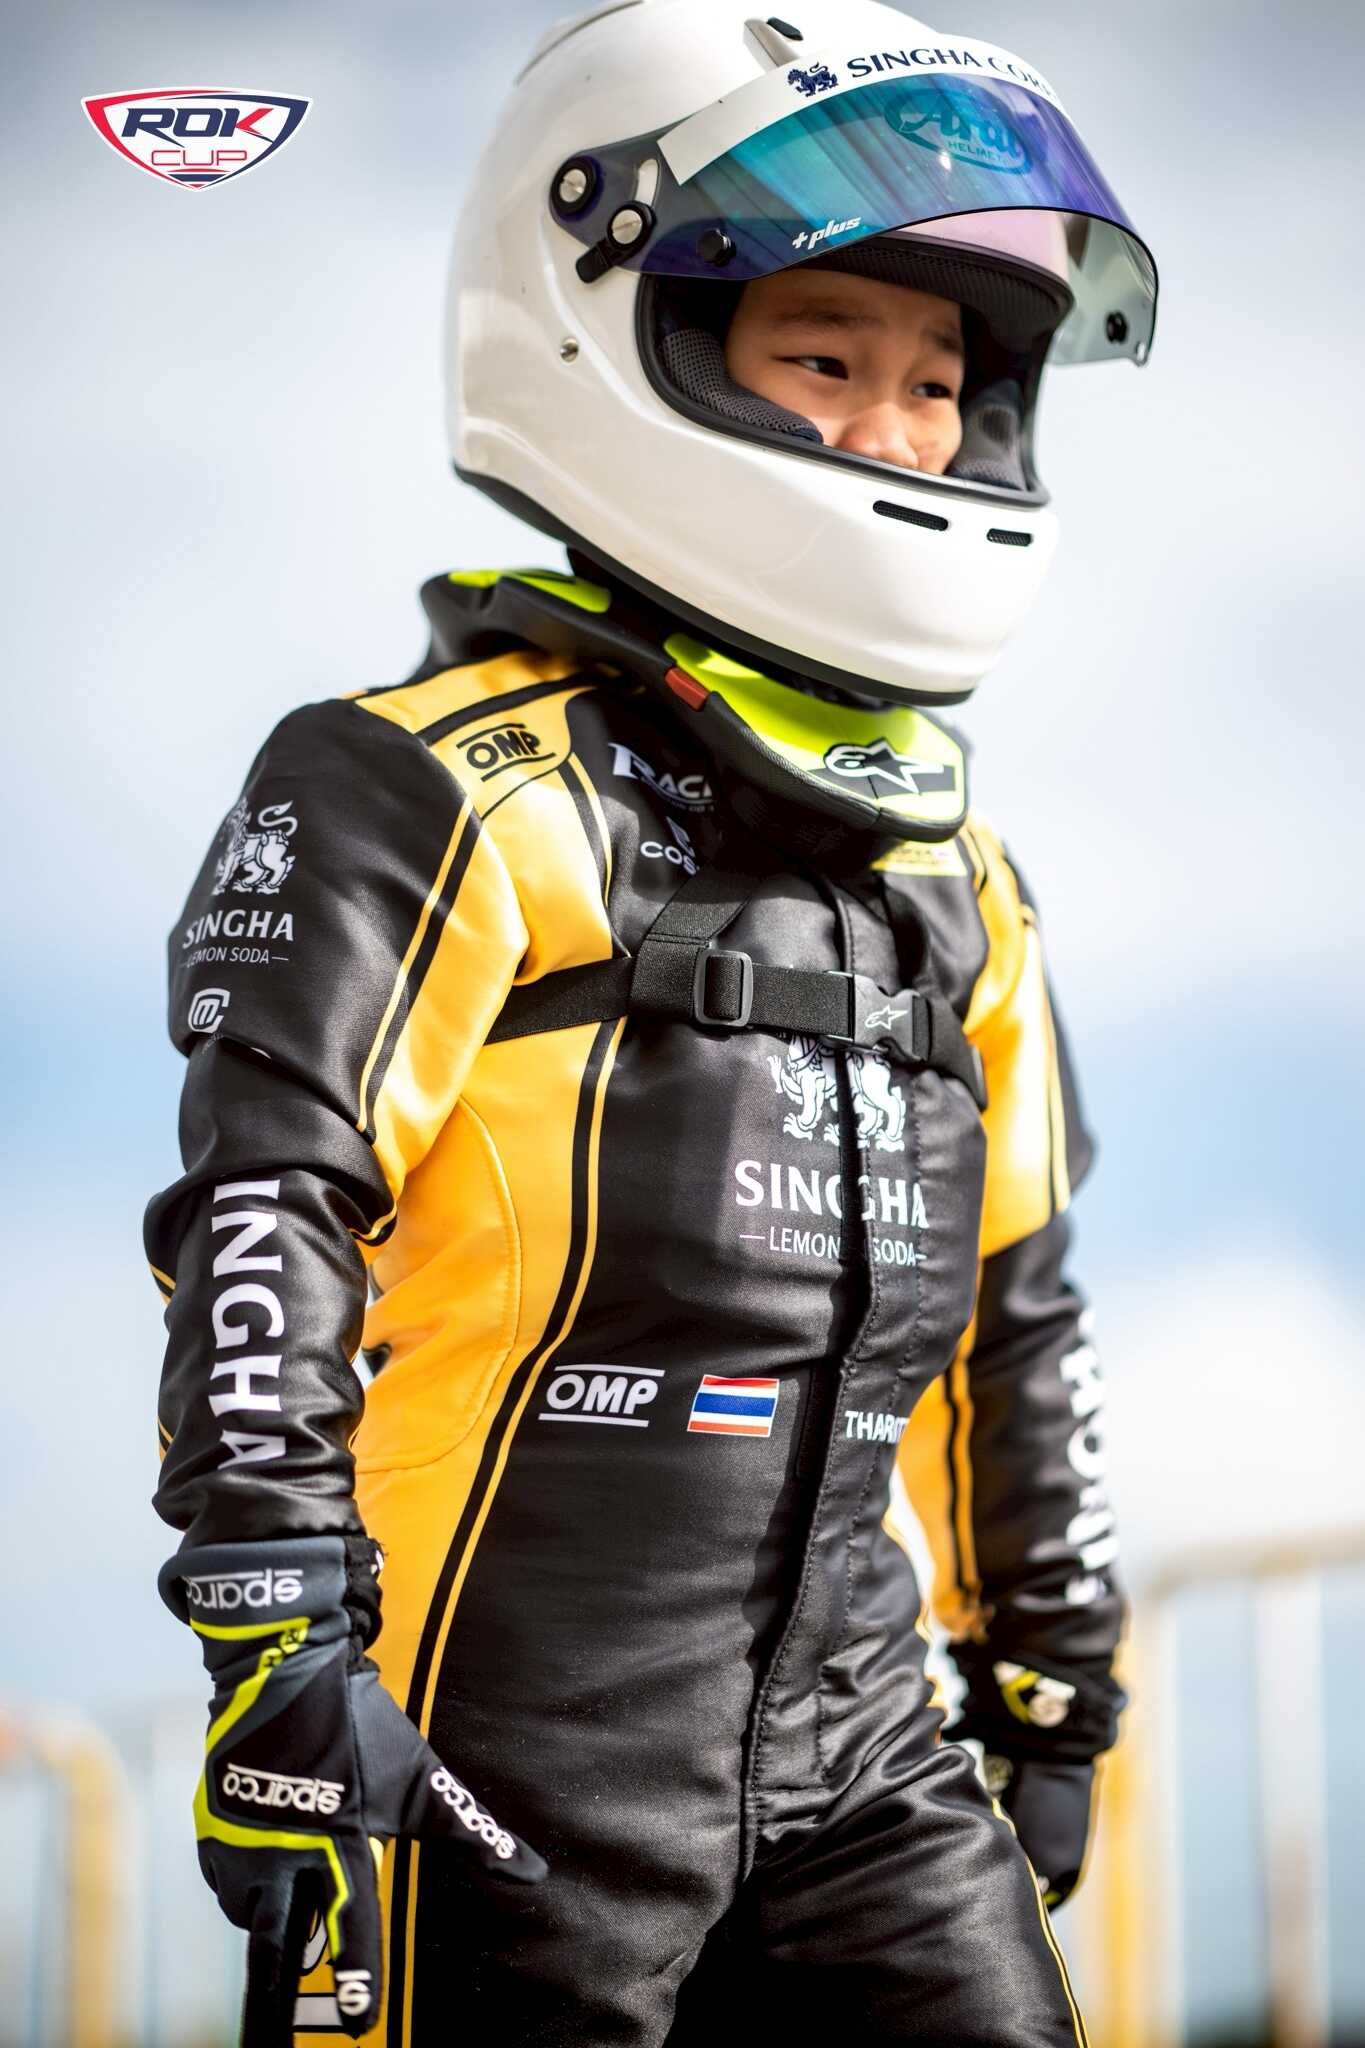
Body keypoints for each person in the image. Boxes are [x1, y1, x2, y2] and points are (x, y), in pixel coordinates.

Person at [147, 3, 1158, 2042]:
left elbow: (1016, 1310)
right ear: (631, 341)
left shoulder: (960, 879)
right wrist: (275, 1650)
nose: (899, 434)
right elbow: (266, 1216)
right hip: (491, 1739)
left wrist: (1053, 1672)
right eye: (825, 362)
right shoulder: (416, 781)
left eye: (939, 382)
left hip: (867, 1746)